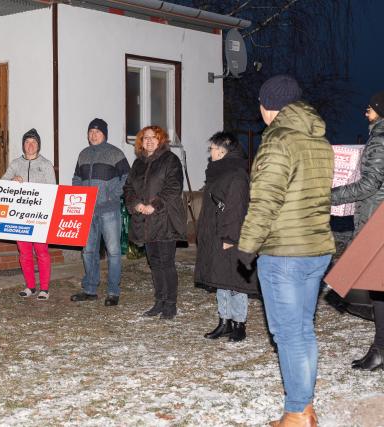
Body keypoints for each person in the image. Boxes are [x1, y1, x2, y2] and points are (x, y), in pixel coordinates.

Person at [237, 75, 335, 426]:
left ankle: (296, 412)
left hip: (284, 252)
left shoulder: (278, 140)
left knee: (289, 333)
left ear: (268, 107)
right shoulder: (319, 141)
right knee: (302, 329)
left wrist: (247, 246)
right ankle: (305, 406)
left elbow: (265, 201)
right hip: (316, 248)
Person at [331, 91, 384, 371]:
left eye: (370, 108)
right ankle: (380, 349)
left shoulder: (380, 139)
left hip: (377, 222)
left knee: (371, 288)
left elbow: (369, 185)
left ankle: (380, 350)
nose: (366, 112)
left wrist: (332, 195)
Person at [194, 132, 258, 341]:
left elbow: (236, 208)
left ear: (223, 150)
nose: (210, 152)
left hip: (231, 235)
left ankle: (239, 324)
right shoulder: (218, 172)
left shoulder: (236, 174)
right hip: (216, 233)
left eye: (212, 148)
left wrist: (230, 238)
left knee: (235, 281)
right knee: (220, 279)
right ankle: (225, 321)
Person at [123, 126, 186, 320]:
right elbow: (128, 188)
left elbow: (173, 187)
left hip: (164, 219)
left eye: (153, 137)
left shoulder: (170, 160)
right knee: (155, 263)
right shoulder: (138, 164)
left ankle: (170, 304)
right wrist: (136, 204)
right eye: (145, 138)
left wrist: (154, 205)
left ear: (161, 140)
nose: (149, 141)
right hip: (146, 222)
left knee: (166, 263)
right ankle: (159, 301)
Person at [70, 118, 130, 306]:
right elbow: (76, 178)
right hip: (87, 211)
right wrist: (79, 197)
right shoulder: (83, 154)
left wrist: (112, 195)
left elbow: (127, 178)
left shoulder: (115, 153)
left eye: (97, 132)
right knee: (88, 251)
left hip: (109, 210)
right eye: (91, 132)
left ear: (104, 134)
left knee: (113, 252)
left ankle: (113, 291)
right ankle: (90, 289)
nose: (93, 135)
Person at [1, 128, 56, 300]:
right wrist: (12, 181)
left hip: (40, 217)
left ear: (38, 145)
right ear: (23, 145)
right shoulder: (16, 164)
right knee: (24, 253)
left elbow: (53, 190)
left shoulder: (46, 164)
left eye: (33, 142)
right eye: (27, 142)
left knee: (42, 252)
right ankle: (30, 286)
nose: (30, 145)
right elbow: (1, 183)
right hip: (20, 216)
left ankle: (44, 288)